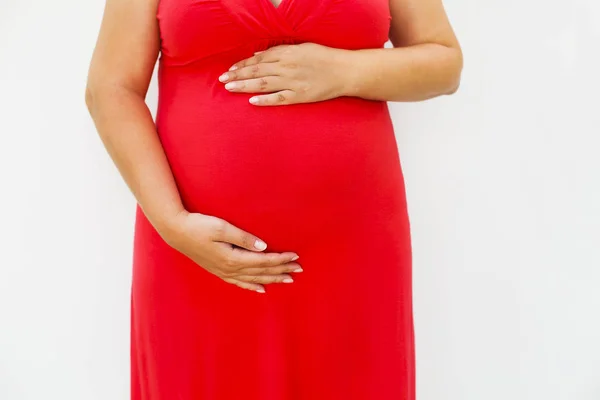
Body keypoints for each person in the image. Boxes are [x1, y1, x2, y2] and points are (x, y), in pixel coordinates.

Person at [85, 0, 462, 398]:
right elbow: (111, 88)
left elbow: (444, 63)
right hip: (199, 250)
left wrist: (344, 70)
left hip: (352, 250)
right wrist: (171, 222)